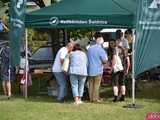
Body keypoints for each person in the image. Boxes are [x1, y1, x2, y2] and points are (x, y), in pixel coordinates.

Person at [87, 32, 108, 102]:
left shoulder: (90, 48)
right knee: (97, 85)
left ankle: (91, 98)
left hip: (90, 69)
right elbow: (105, 60)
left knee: (90, 85)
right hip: (98, 69)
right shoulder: (101, 49)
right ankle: (95, 99)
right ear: (101, 43)